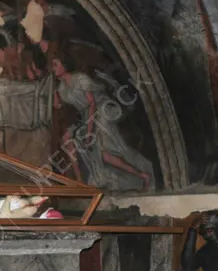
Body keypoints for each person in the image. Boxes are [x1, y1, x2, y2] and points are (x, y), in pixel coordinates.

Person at [53, 57, 153, 192]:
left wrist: (89, 131)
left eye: (56, 64)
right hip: (86, 116)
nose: (53, 68)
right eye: (52, 65)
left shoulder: (80, 79)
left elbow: (93, 103)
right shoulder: (62, 87)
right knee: (95, 151)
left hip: (100, 111)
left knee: (104, 152)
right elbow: (58, 105)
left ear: (64, 65)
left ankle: (142, 175)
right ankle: (80, 181)